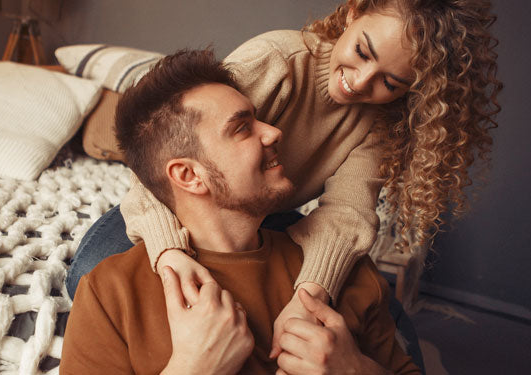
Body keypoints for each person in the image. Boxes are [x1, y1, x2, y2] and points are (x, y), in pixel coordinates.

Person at [67, 0, 500, 362]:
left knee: (376, 308)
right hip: (173, 200)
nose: (362, 82)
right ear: (352, 13)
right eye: (363, 52)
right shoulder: (279, 59)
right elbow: (173, 153)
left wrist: (309, 295)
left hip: (267, 210)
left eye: (391, 81)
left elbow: (348, 213)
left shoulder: (381, 124)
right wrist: (167, 251)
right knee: (91, 273)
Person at [60, 49, 420, 375]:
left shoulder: (343, 275)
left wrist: (354, 371)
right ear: (189, 175)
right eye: (242, 128)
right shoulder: (110, 293)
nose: (275, 132)